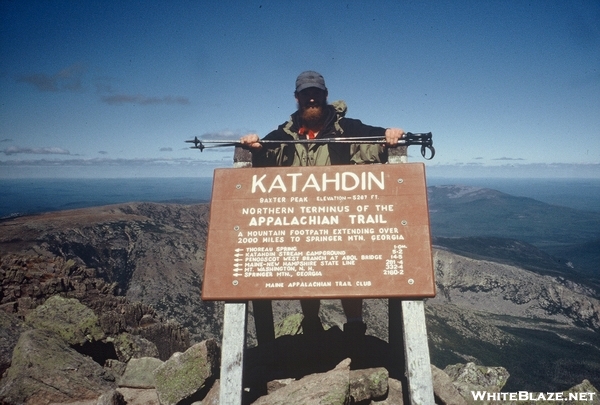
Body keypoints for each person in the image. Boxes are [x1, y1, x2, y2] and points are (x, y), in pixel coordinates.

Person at [240, 71, 405, 336]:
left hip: (343, 217)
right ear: (297, 98)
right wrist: (254, 147)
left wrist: (389, 135)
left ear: (325, 95)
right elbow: (266, 155)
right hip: (302, 219)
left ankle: (354, 327)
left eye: (316, 93)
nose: (312, 98)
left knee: (350, 266)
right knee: (308, 267)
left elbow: (374, 143)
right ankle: (312, 324)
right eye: (306, 94)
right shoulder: (284, 133)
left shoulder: (348, 129)